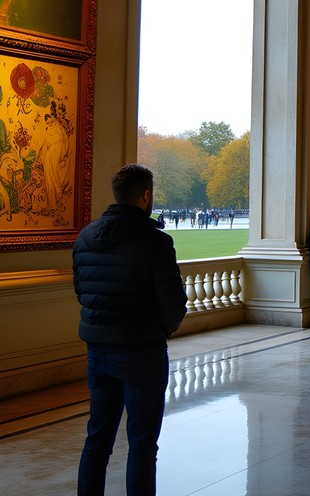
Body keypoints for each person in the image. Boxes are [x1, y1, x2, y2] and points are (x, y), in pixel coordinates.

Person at [72, 164, 187, 496]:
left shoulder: (84, 237)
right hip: (141, 350)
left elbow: (82, 290)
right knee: (141, 443)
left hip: (98, 348)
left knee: (97, 440)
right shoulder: (156, 241)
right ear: (147, 196)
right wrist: (161, 330)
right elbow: (173, 305)